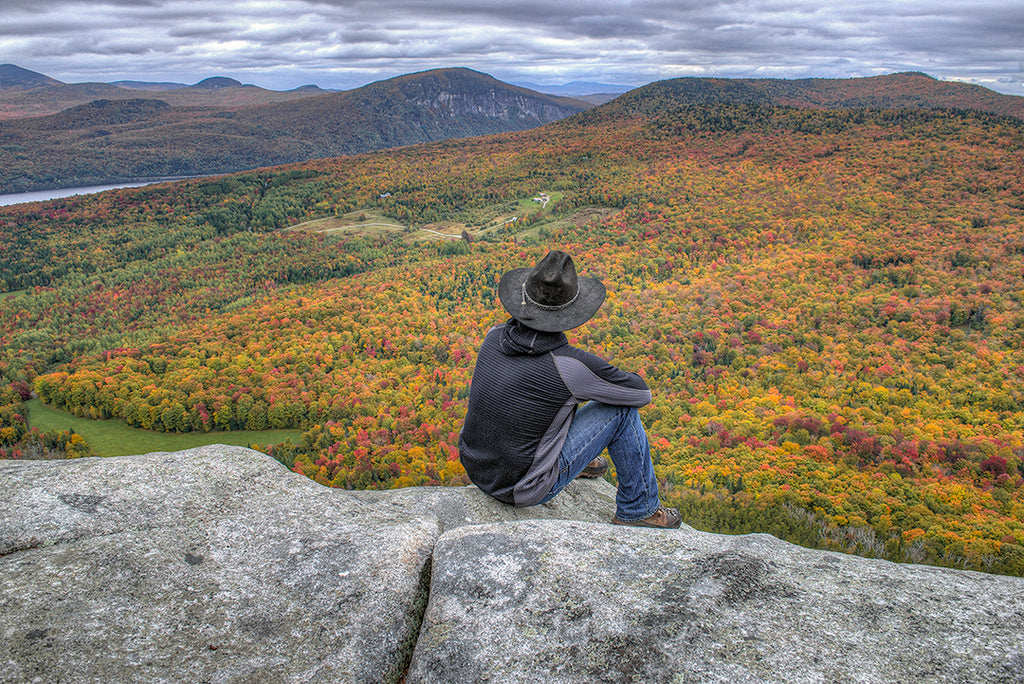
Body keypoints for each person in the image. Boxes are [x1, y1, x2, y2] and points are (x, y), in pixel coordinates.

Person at [459, 249, 681, 528]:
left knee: (544, 404)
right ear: (569, 313)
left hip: (477, 467)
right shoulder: (568, 366)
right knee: (622, 413)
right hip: (522, 487)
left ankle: (578, 460)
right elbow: (640, 394)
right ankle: (639, 508)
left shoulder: (493, 337)